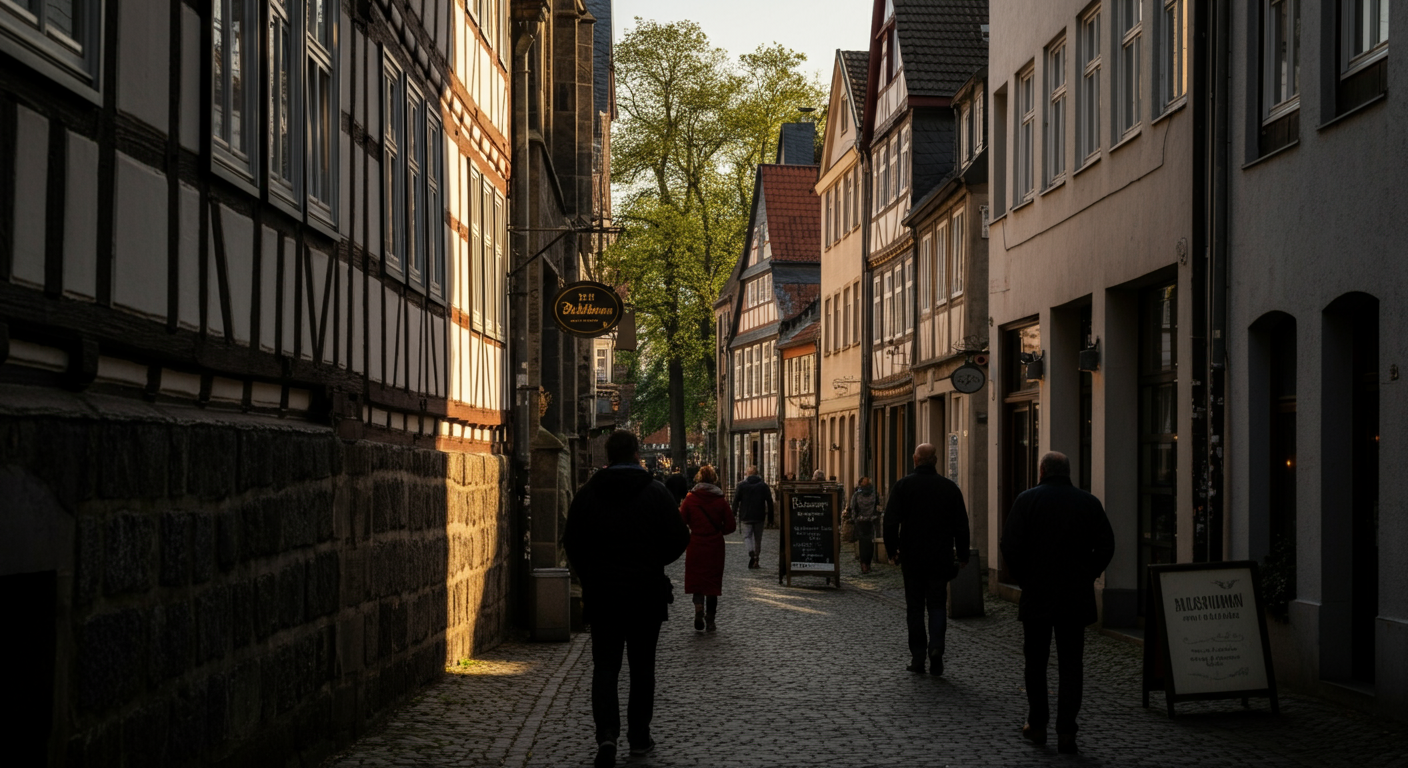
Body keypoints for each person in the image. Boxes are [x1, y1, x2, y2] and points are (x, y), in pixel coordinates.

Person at [563, 431, 691, 768]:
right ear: (636, 454)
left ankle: (606, 734)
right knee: (642, 667)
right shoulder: (655, 493)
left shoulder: (589, 493)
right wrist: (653, 561)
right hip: (645, 593)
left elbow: (571, 539)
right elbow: (680, 538)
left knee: (605, 666)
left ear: (608, 454)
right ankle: (638, 737)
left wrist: (589, 573)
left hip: (603, 593)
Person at [1000, 452, 1114, 755]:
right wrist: (1087, 573)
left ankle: (1037, 724)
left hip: (1038, 593)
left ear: (1041, 471)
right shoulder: (1088, 503)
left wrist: (1025, 577)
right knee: (1071, 665)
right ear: (1068, 472)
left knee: (1035, 663)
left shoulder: (1027, 500)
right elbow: (1106, 545)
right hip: (1074, 595)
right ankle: (1066, 731)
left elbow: (1009, 545)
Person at [882, 443, 971, 676]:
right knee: (937, 605)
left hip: (912, 557)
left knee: (915, 608)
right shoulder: (950, 488)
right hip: (940, 556)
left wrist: (893, 551)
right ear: (936, 461)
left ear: (915, 459)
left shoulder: (903, 486)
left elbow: (890, 523)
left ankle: (919, 656)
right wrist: (962, 554)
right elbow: (962, 525)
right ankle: (937, 647)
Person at [679, 465, 736, 632]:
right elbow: (731, 525)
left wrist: (693, 528)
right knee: (712, 581)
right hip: (715, 545)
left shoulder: (690, 499)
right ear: (714, 479)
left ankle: (698, 610)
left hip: (696, 543)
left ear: (698, 478)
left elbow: (681, 521)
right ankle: (710, 619)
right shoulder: (720, 500)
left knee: (697, 580)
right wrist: (719, 531)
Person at [732, 465, 774, 569]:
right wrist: (771, 518)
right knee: (758, 539)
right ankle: (756, 558)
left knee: (747, 536)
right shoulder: (763, 486)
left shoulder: (741, 485)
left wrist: (733, 514)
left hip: (746, 516)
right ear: (757, 474)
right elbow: (769, 501)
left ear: (747, 474)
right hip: (759, 516)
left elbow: (736, 500)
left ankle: (750, 551)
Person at [847, 477, 880, 574]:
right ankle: (866, 564)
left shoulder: (861, 494)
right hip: (866, 521)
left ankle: (865, 564)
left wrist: (855, 518)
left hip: (865, 521)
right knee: (867, 543)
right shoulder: (870, 494)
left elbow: (853, 507)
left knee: (866, 544)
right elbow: (853, 507)